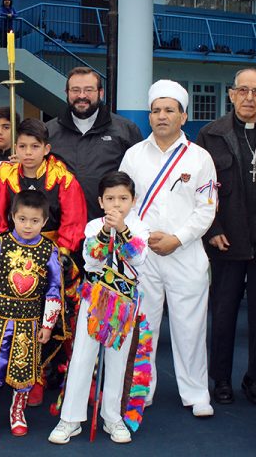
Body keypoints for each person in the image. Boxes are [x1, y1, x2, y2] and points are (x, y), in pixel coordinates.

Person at [194, 69, 256, 406]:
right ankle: (220, 379)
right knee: (222, 315)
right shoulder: (210, 135)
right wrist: (213, 229)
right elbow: (201, 191)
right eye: (243, 90)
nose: (249, 97)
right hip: (227, 241)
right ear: (232, 94)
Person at [119, 80, 217, 417]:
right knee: (143, 325)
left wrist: (178, 238)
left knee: (190, 327)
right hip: (143, 253)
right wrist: (144, 236)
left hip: (186, 253)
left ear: (183, 116)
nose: (162, 116)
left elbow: (207, 207)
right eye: (156, 110)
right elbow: (122, 202)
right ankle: (140, 388)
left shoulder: (201, 158)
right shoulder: (133, 155)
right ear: (150, 115)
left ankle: (195, 393)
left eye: (169, 110)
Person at [0, 117, 86, 405]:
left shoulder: (62, 177)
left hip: (54, 253)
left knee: (61, 315)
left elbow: (74, 222)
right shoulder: (5, 175)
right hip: (13, 253)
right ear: (15, 148)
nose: (28, 152)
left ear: (46, 148)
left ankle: (66, 375)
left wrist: (61, 256)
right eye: (22, 146)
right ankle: (9, 375)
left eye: (34, 146)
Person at [48, 171, 151, 445]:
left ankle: (113, 417)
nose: (116, 204)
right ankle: (70, 418)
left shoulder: (140, 226)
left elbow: (137, 257)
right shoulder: (94, 226)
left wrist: (124, 231)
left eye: (123, 198)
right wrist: (107, 231)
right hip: (94, 299)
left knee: (117, 360)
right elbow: (91, 258)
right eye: (110, 198)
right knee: (82, 356)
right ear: (100, 201)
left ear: (133, 200)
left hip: (124, 304)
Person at [0, 190, 63, 440]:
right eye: (22, 219)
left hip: (31, 320)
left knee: (25, 368)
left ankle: (18, 411)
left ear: (44, 221)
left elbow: (54, 287)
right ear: (12, 217)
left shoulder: (49, 249)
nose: (27, 225)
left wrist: (48, 324)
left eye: (34, 220)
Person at [46, 66, 142, 220]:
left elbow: (140, 179)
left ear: (100, 93)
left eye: (89, 90)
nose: (82, 96)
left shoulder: (125, 130)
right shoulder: (48, 132)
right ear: (67, 93)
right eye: (75, 90)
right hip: (61, 229)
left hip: (109, 227)